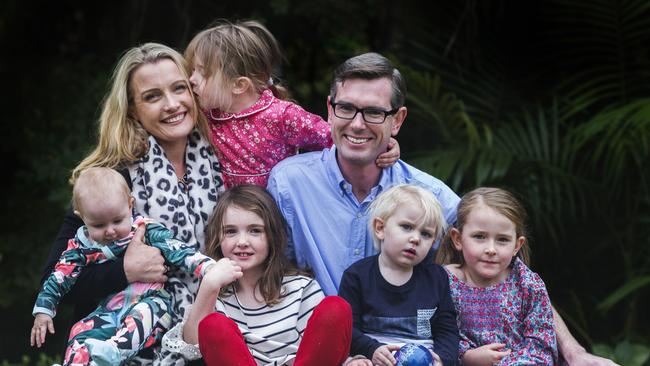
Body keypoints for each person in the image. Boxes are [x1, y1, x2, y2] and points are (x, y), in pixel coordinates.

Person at [267, 52, 618, 366]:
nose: (357, 124)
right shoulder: (289, 183)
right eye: (346, 108)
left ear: (397, 120)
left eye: (374, 112)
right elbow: (270, 273)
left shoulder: (429, 196)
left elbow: (507, 269)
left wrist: (573, 352)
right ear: (329, 109)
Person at [41, 42, 224, 365]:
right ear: (131, 110)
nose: (172, 104)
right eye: (152, 96)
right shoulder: (112, 180)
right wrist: (124, 269)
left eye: (178, 88)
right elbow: (55, 281)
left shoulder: (223, 162)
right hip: (131, 349)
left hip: (212, 335)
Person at [31, 167, 218, 365]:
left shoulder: (145, 228)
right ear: (82, 217)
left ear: (130, 206)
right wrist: (44, 310)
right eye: (99, 225)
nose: (110, 231)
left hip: (152, 301)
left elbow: (177, 249)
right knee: (81, 330)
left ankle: (114, 352)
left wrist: (207, 267)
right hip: (110, 309)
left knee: (142, 317)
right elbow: (59, 276)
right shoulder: (81, 245)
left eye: (117, 221)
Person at [185, 19, 399, 188]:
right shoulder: (204, 114)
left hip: (276, 220)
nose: (191, 79)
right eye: (192, 70)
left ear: (239, 85)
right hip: (230, 222)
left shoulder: (281, 116)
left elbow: (335, 138)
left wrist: (384, 146)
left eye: (202, 73)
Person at [161, 185, 352, 365]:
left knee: (336, 307)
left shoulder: (301, 288)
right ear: (218, 239)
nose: (242, 241)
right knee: (213, 325)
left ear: (272, 236)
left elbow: (321, 349)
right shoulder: (216, 296)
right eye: (231, 231)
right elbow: (191, 350)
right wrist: (209, 286)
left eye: (255, 231)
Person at [338, 184, 459, 366]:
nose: (415, 238)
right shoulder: (357, 276)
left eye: (425, 234)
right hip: (376, 359)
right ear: (380, 228)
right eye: (407, 227)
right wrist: (371, 350)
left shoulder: (436, 278)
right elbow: (347, 330)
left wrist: (443, 359)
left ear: (433, 242)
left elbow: (447, 329)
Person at [435, 187, 557, 365]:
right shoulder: (442, 283)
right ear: (458, 239)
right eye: (479, 236)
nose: (491, 249)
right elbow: (432, 334)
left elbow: (542, 346)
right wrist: (466, 356)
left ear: (517, 245)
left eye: (502, 239)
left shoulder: (528, 285)